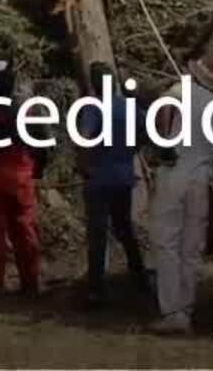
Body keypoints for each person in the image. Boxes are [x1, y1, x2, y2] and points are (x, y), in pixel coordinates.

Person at [147, 50, 213, 335]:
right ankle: (185, 310)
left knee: (166, 243)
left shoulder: (179, 91)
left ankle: (171, 311)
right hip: (202, 178)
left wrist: (164, 143)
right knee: (192, 247)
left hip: (175, 172)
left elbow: (160, 114)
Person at [0, 59, 47, 296]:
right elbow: (42, 142)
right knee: (25, 229)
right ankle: (31, 281)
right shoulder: (25, 110)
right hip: (21, 175)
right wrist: (38, 170)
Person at [77, 61, 146, 305]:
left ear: (93, 84)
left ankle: (96, 288)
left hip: (99, 178)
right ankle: (139, 278)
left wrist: (85, 167)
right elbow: (146, 132)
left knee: (97, 233)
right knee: (124, 229)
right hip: (123, 176)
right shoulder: (129, 106)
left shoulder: (92, 108)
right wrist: (130, 151)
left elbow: (84, 140)